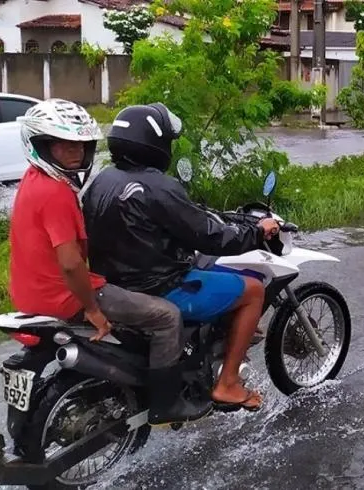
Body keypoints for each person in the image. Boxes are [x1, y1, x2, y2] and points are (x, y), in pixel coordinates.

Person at [8, 98, 210, 425]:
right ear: (41, 146)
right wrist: (92, 309)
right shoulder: (56, 193)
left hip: (29, 295)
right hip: (64, 295)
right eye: (62, 146)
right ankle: (166, 405)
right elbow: (72, 264)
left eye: (80, 145)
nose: (74, 153)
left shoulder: (33, 180)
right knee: (166, 316)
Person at [81, 103, 279, 412]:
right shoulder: (158, 185)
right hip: (160, 286)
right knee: (253, 290)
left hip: (117, 285)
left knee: (211, 269)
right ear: (154, 143)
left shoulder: (102, 181)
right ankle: (228, 384)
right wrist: (255, 232)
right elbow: (210, 236)